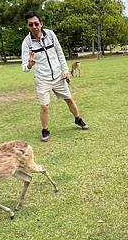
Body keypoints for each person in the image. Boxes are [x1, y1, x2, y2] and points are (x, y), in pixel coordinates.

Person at [21, 11, 89, 142]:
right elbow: (24, 67)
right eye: (31, 24)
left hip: (58, 76)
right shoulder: (27, 43)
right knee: (44, 106)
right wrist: (29, 65)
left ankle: (78, 119)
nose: (34, 27)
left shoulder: (50, 35)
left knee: (69, 99)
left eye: (36, 23)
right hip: (42, 79)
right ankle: (45, 130)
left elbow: (60, 53)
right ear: (27, 26)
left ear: (41, 23)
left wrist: (66, 71)